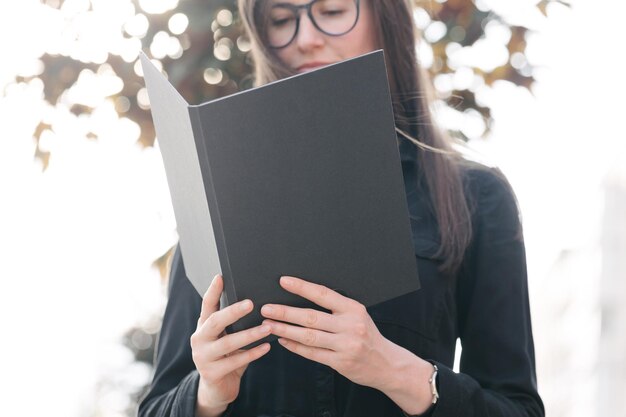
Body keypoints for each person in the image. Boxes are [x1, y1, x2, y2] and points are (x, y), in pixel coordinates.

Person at [138, 0, 545, 416]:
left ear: (385, 19)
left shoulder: (475, 196)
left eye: (332, 12)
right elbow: (156, 407)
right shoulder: (217, 206)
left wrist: (392, 368)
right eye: (281, 20)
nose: (306, 39)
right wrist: (206, 394)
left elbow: (518, 408)